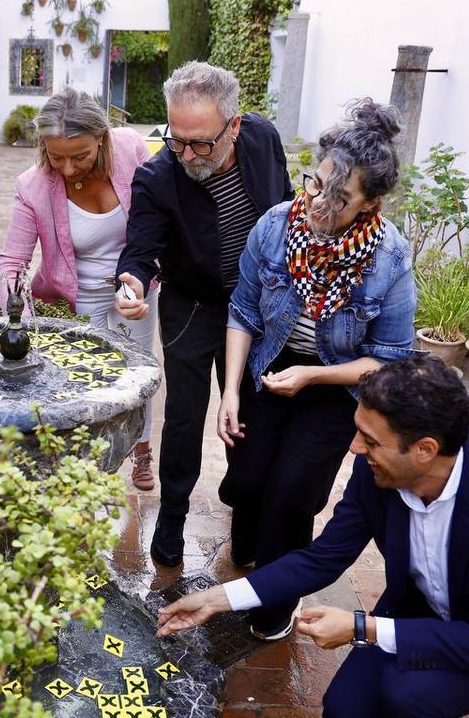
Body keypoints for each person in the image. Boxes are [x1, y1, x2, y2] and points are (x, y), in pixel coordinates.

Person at [158, 357, 469, 718]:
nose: (354, 447)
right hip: (424, 613)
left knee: (407, 696)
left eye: (370, 440)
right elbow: (323, 557)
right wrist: (219, 600)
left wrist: (361, 628)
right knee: (343, 706)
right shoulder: (376, 472)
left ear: (425, 450)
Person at [215, 99, 418, 640]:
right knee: (249, 479)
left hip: (335, 386)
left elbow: (390, 357)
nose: (318, 203)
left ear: (371, 202)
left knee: (291, 491)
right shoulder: (276, 226)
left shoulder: (389, 258)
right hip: (268, 368)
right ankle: (249, 547)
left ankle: (273, 603)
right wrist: (231, 391)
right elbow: (242, 311)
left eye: (339, 197)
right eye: (315, 183)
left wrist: (312, 376)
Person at [114, 61, 292, 564]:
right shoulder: (158, 175)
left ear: (234, 126)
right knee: (186, 418)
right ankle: (172, 517)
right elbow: (140, 247)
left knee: (253, 412)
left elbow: (284, 206)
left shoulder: (263, 139)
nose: (187, 154)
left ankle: (246, 509)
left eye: (201, 144)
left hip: (259, 308)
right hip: (193, 306)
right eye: (177, 140)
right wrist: (132, 281)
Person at [0, 88, 160, 489]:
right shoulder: (33, 187)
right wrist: (21, 319)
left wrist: (145, 276)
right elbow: (11, 263)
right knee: (87, 377)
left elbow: (159, 221)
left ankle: (141, 447)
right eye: (56, 156)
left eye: (80, 156)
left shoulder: (132, 149)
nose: (68, 168)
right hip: (79, 294)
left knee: (139, 371)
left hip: (133, 291)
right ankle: (93, 458)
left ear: (102, 138)